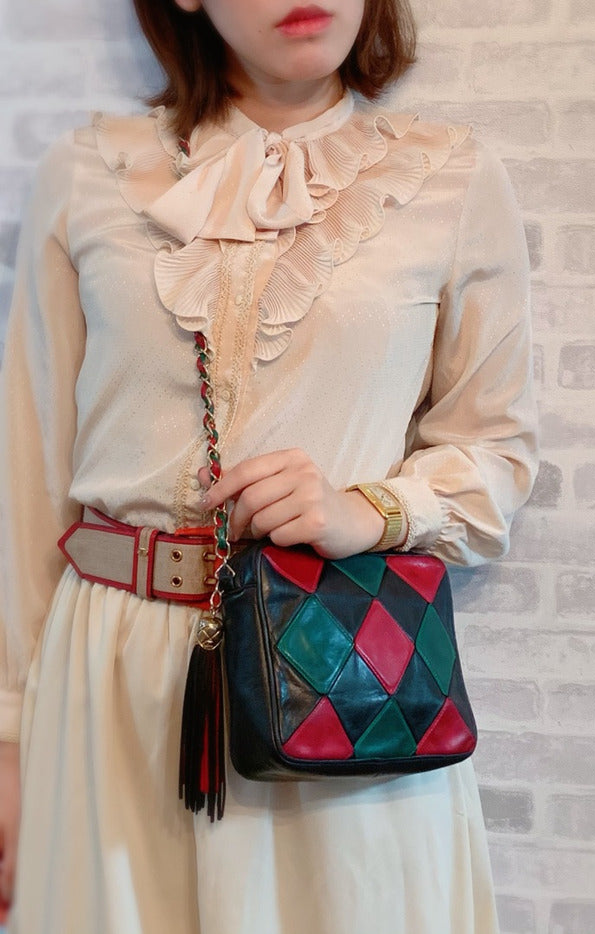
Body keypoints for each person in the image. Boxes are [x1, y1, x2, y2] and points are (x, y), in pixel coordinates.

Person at [0, 0, 537, 930]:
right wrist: (8, 735)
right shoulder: (88, 173)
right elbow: (26, 470)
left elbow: (497, 452)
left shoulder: (449, 176)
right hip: (110, 680)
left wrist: (370, 509)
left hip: (333, 673)